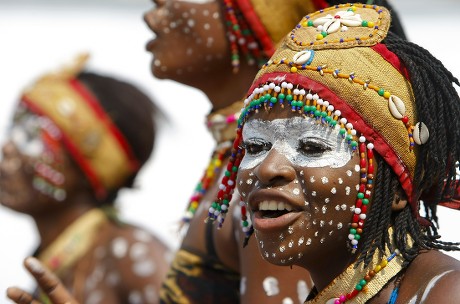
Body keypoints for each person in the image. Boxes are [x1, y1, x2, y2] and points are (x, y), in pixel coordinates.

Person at [6, 1, 408, 303]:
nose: (154, 11)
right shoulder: (239, 172)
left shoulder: (271, 192)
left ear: (262, 17)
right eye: (256, 145)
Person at [206, 3, 460, 303]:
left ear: (397, 191)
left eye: (312, 147)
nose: (267, 168)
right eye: (255, 147)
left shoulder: (445, 293)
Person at [2, 54, 170, 304]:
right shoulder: (55, 262)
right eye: (13, 130)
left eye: (31, 138)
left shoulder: (131, 255)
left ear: (88, 171)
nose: (8, 149)